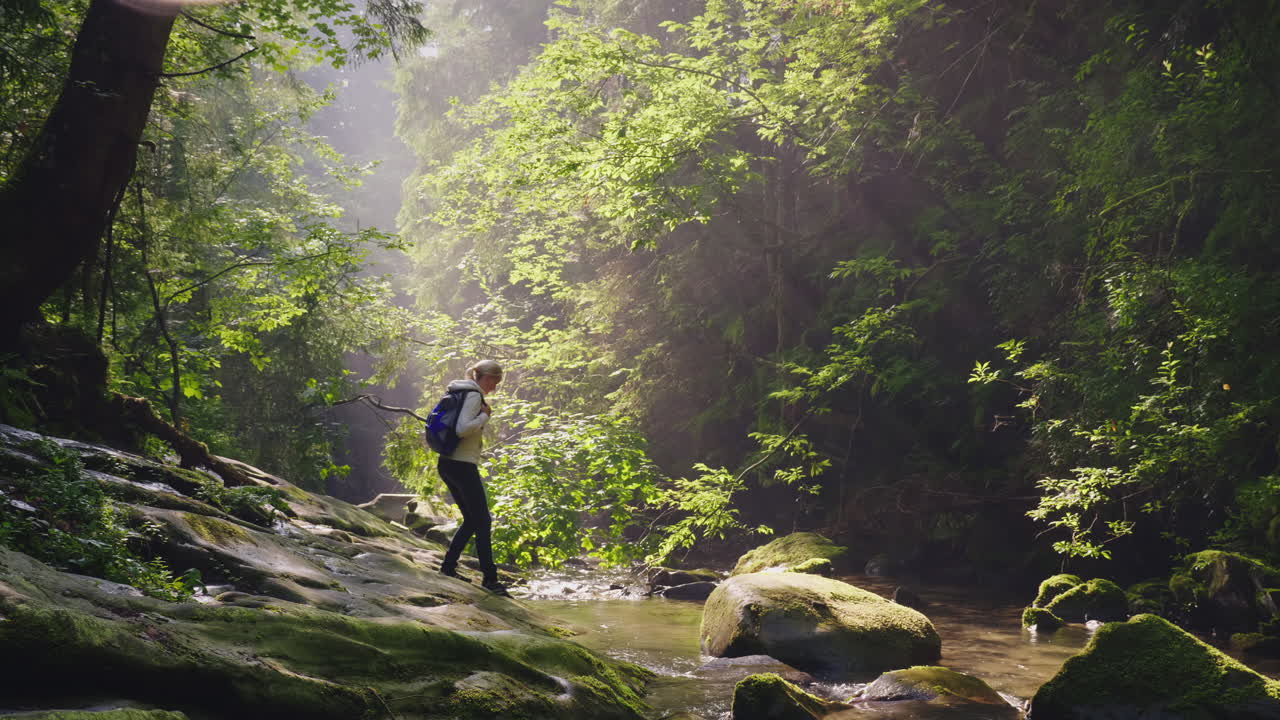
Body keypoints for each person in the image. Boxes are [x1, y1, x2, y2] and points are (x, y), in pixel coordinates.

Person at [436, 359, 509, 596]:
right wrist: (484, 416)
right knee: (483, 521)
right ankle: (490, 580)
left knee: (471, 519)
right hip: (461, 466)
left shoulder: (459, 390)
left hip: (448, 463)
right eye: (493, 381)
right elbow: (462, 429)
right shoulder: (473, 395)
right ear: (483, 376)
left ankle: (448, 567)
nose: (494, 388)